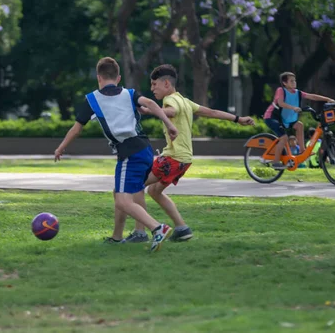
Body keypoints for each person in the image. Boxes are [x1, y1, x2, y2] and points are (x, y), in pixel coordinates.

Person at [53, 57, 179, 253]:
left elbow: (76, 129)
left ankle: (157, 228)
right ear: (118, 77)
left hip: (130, 153)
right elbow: (152, 104)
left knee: (122, 200)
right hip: (145, 149)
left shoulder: (92, 99)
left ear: (99, 77)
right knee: (119, 192)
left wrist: (61, 147)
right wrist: (170, 124)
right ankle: (117, 237)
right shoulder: (129, 94)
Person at [120, 64, 255, 244]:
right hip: (185, 160)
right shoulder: (185, 100)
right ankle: (182, 228)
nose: (152, 89)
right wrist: (238, 119)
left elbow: (171, 111)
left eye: (154, 84)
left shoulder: (171, 101)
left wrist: (149, 110)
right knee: (154, 190)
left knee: (135, 184)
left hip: (173, 158)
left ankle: (140, 232)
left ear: (166, 83)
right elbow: (212, 112)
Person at [263, 72, 334, 170]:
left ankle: (303, 151)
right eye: (291, 81)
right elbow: (281, 103)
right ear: (284, 83)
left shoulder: (298, 93)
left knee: (299, 125)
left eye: (294, 80)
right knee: (284, 138)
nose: (294, 82)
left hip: (286, 119)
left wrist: (328, 99)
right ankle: (275, 162)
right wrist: (293, 108)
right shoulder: (281, 90)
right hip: (272, 117)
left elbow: (311, 96)